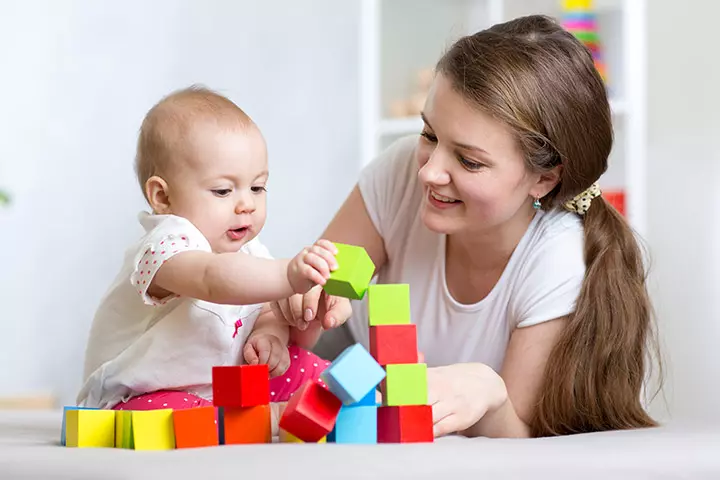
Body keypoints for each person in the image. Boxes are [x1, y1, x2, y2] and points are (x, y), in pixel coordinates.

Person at [273, 15, 662, 438]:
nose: (429, 172)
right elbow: (311, 300)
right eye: (429, 133)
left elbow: (522, 444)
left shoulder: (556, 260)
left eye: (469, 161)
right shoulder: (401, 170)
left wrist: (489, 394)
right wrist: (292, 310)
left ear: (543, 179)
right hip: (352, 382)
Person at [76, 86, 345, 419]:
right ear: (163, 197)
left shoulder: (251, 250)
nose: (246, 204)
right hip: (137, 394)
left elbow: (264, 311)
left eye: (257, 187)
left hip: (224, 386)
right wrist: (289, 275)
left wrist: (270, 335)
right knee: (185, 416)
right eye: (223, 190)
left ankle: (363, 401)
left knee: (313, 371)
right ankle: (258, 418)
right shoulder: (164, 247)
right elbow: (211, 278)